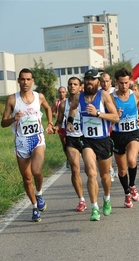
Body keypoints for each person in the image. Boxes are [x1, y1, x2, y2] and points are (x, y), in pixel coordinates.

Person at [1, 68, 54, 222]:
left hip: (37, 138)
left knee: (36, 171)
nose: (25, 82)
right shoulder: (12, 99)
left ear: (32, 81)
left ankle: (39, 193)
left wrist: (49, 122)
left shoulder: (39, 97)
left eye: (28, 79)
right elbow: (3, 123)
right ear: (18, 81)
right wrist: (13, 119)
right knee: (26, 178)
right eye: (22, 79)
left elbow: (48, 108)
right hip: (21, 141)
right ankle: (35, 206)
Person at [67, 69, 119, 221]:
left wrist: (98, 114)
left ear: (98, 81)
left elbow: (115, 117)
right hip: (87, 140)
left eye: (93, 79)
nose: (90, 82)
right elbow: (73, 108)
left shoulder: (103, 96)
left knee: (104, 176)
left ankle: (107, 198)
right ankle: (94, 207)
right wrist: (70, 121)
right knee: (91, 173)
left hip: (103, 140)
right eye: (87, 79)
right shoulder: (79, 96)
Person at [111, 67, 139, 208]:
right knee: (121, 170)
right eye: (121, 83)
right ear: (116, 82)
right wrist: (114, 114)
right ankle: (127, 193)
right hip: (117, 135)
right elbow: (106, 115)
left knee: (132, 161)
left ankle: (132, 186)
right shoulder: (111, 98)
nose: (124, 86)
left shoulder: (136, 95)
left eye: (126, 83)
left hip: (133, 133)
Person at [54, 77, 86, 211]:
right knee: (75, 169)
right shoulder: (63, 104)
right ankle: (81, 200)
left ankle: (94, 193)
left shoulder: (86, 101)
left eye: (75, 84)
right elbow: (59, 122)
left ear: (80, 87)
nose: (72, 86)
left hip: (86, 138)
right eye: (70, 84)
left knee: (91, 171)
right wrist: (55, 128)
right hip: (71, 139)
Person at [100, 72, 117, 181]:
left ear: (111, 81)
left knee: (118, 149)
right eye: (103, 81)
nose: (105, 83)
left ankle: (118, 167)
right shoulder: (98, 93)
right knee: (108, 146)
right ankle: (110, 168)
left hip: (117, 123)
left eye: (107, 81)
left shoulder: (116, 92)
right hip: (105, 124)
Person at [52, 86, 68, 166]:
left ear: (66, 93)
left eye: (63, 92)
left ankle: (72, 157)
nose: (61, 94)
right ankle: (68, 158)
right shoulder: (56, 102)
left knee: (70, 142)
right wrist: (54, 114)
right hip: (60, 125)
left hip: (69, 124)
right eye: (60, 92)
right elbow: (51, 112)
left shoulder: (69, 101)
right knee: (64, 142)